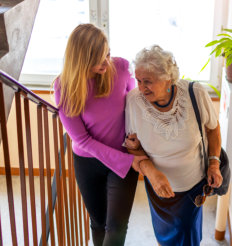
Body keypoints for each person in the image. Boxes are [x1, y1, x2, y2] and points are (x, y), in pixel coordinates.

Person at [54, 24, 147, 246]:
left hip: (124, 159)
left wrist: (134, 140)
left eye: (108, 53)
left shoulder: (122, 67)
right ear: (82, 59)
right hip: (89, 162)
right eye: (99, 58)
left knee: (115, 228)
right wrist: (127, 160)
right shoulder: (64, 87)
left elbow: (135, 106)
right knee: (97, 222)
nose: (107, 62)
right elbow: (82, 140)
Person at [125, 45, 223, 246]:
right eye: (138, 80)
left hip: (193, 186)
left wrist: (214, 164)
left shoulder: (195, 93)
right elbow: (133, 146)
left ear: (167, 80)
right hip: (158, 187)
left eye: (148, 82)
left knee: (187, 234)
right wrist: (152, 173)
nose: (142, 88)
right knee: (165, 234)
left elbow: (213, 129)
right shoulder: (134, 101)